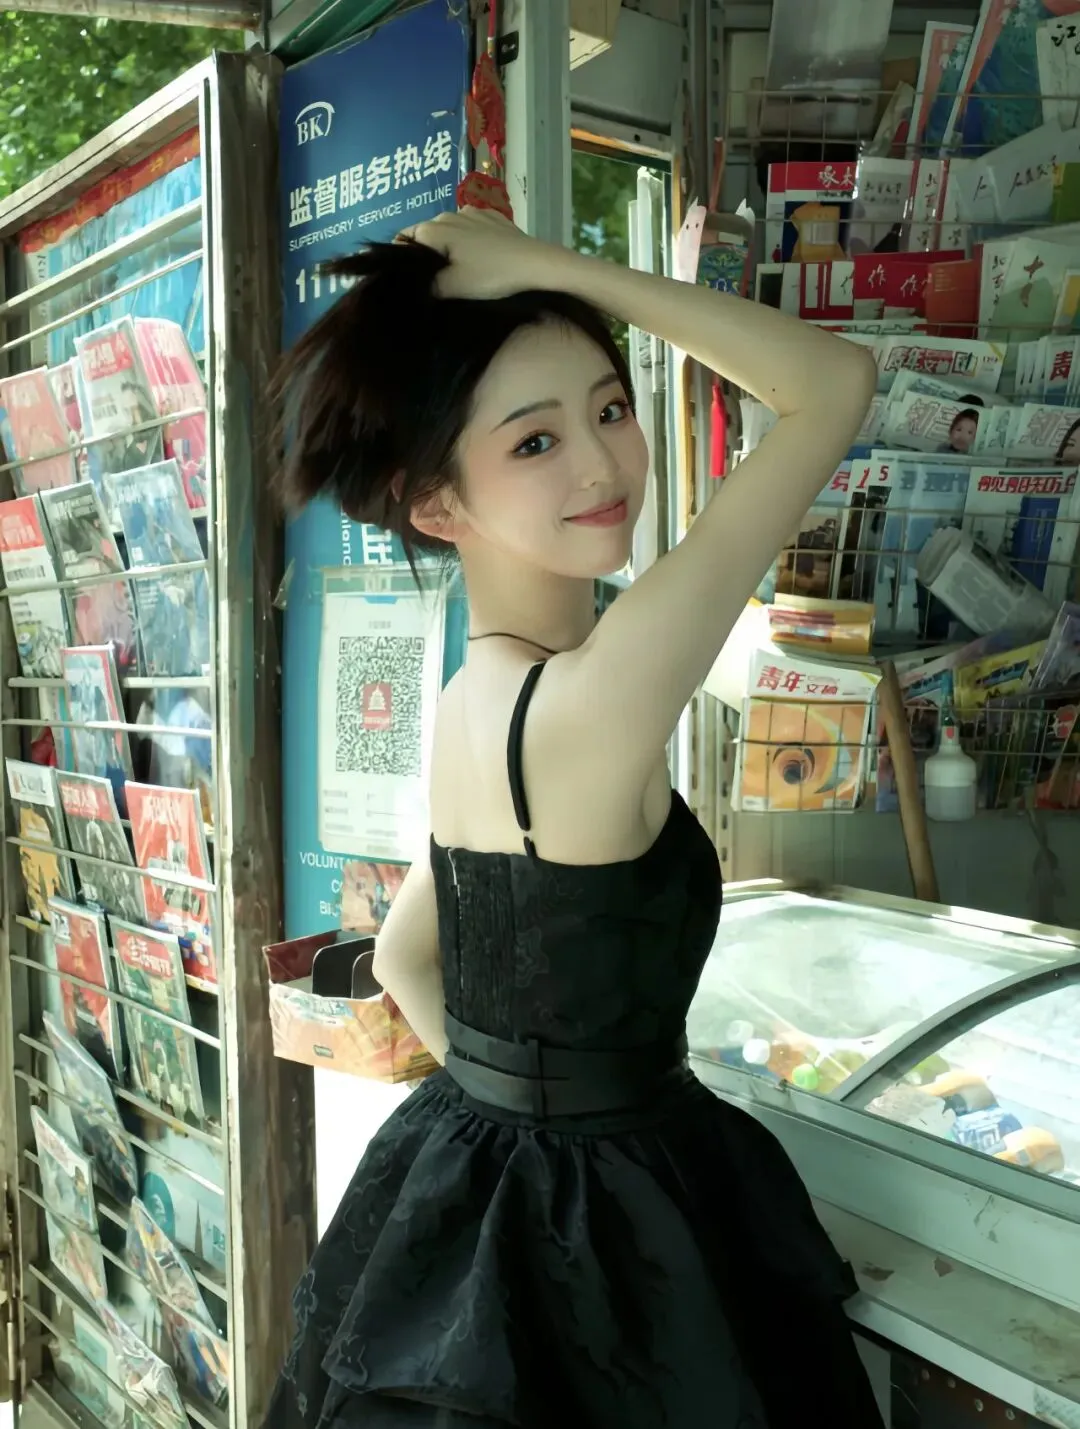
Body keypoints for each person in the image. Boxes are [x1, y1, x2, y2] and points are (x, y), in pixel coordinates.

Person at [265, 208, 883, 1428]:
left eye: (612, 408)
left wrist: (511, 1123)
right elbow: (831, 385)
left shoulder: (471, 699)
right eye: (535, 440)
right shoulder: (594, 699)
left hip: (462, 1182)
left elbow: (402, 958)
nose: (602, 466)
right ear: (433, 503)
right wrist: (556, 266)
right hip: (627, 1227)